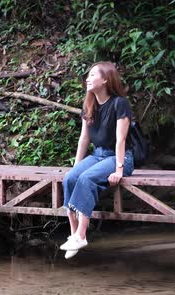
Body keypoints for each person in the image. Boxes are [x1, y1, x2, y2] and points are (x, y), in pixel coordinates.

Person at [60, 61, 135, 259]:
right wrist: (77, 165)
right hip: (98, 154)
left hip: (119, 156)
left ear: (106, 79)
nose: (88, 78)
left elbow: (121, 139)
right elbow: (84, 138)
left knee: (87, 179)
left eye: (93, 75)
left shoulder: (120, 103)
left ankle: (82, 235)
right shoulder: (89, 104)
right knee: (70, 178)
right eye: (89, 75)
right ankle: (74, 233)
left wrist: (119, 169)